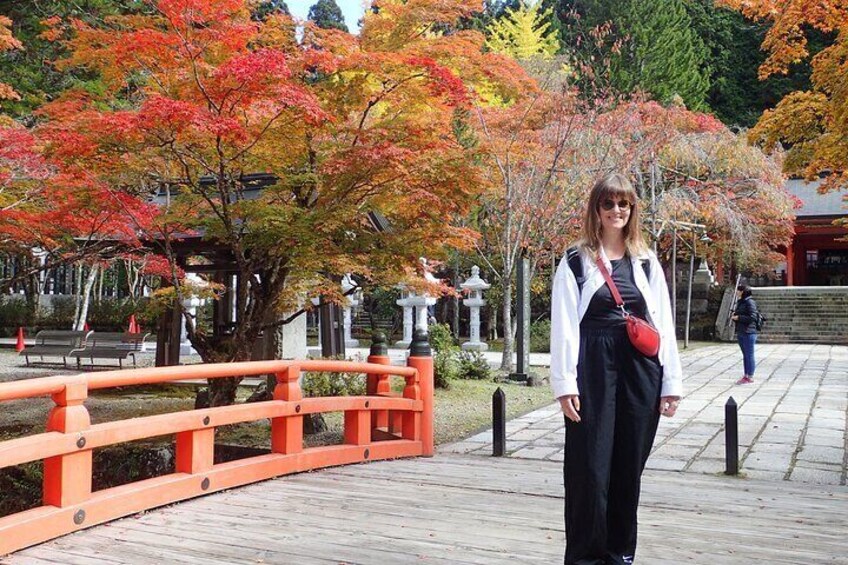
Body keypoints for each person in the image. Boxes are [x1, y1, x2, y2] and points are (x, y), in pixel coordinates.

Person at [550, 172, 683, 565]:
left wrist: (670, 382)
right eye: (608, 203)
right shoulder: (576, 261)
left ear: (633, 209)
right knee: (589, 466)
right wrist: (564, 383)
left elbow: (664, 322)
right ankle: (585, 557)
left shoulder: (645, 260)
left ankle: (620, 553)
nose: (616, 210)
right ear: (596, 209)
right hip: (592, 362)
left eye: (623, 203)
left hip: (640, 367)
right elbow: (564, 324)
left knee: (628, 465)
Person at [732, 283, 759, 385]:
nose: (737, 292)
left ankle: (750, 375)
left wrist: (739, 318)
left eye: (738, 290)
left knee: (749, 354)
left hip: (749, 331)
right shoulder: (740, 302)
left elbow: (753, 317)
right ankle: (746, 374)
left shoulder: (750, 302)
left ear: (742, 292)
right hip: (741, 330)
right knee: (745, 355)